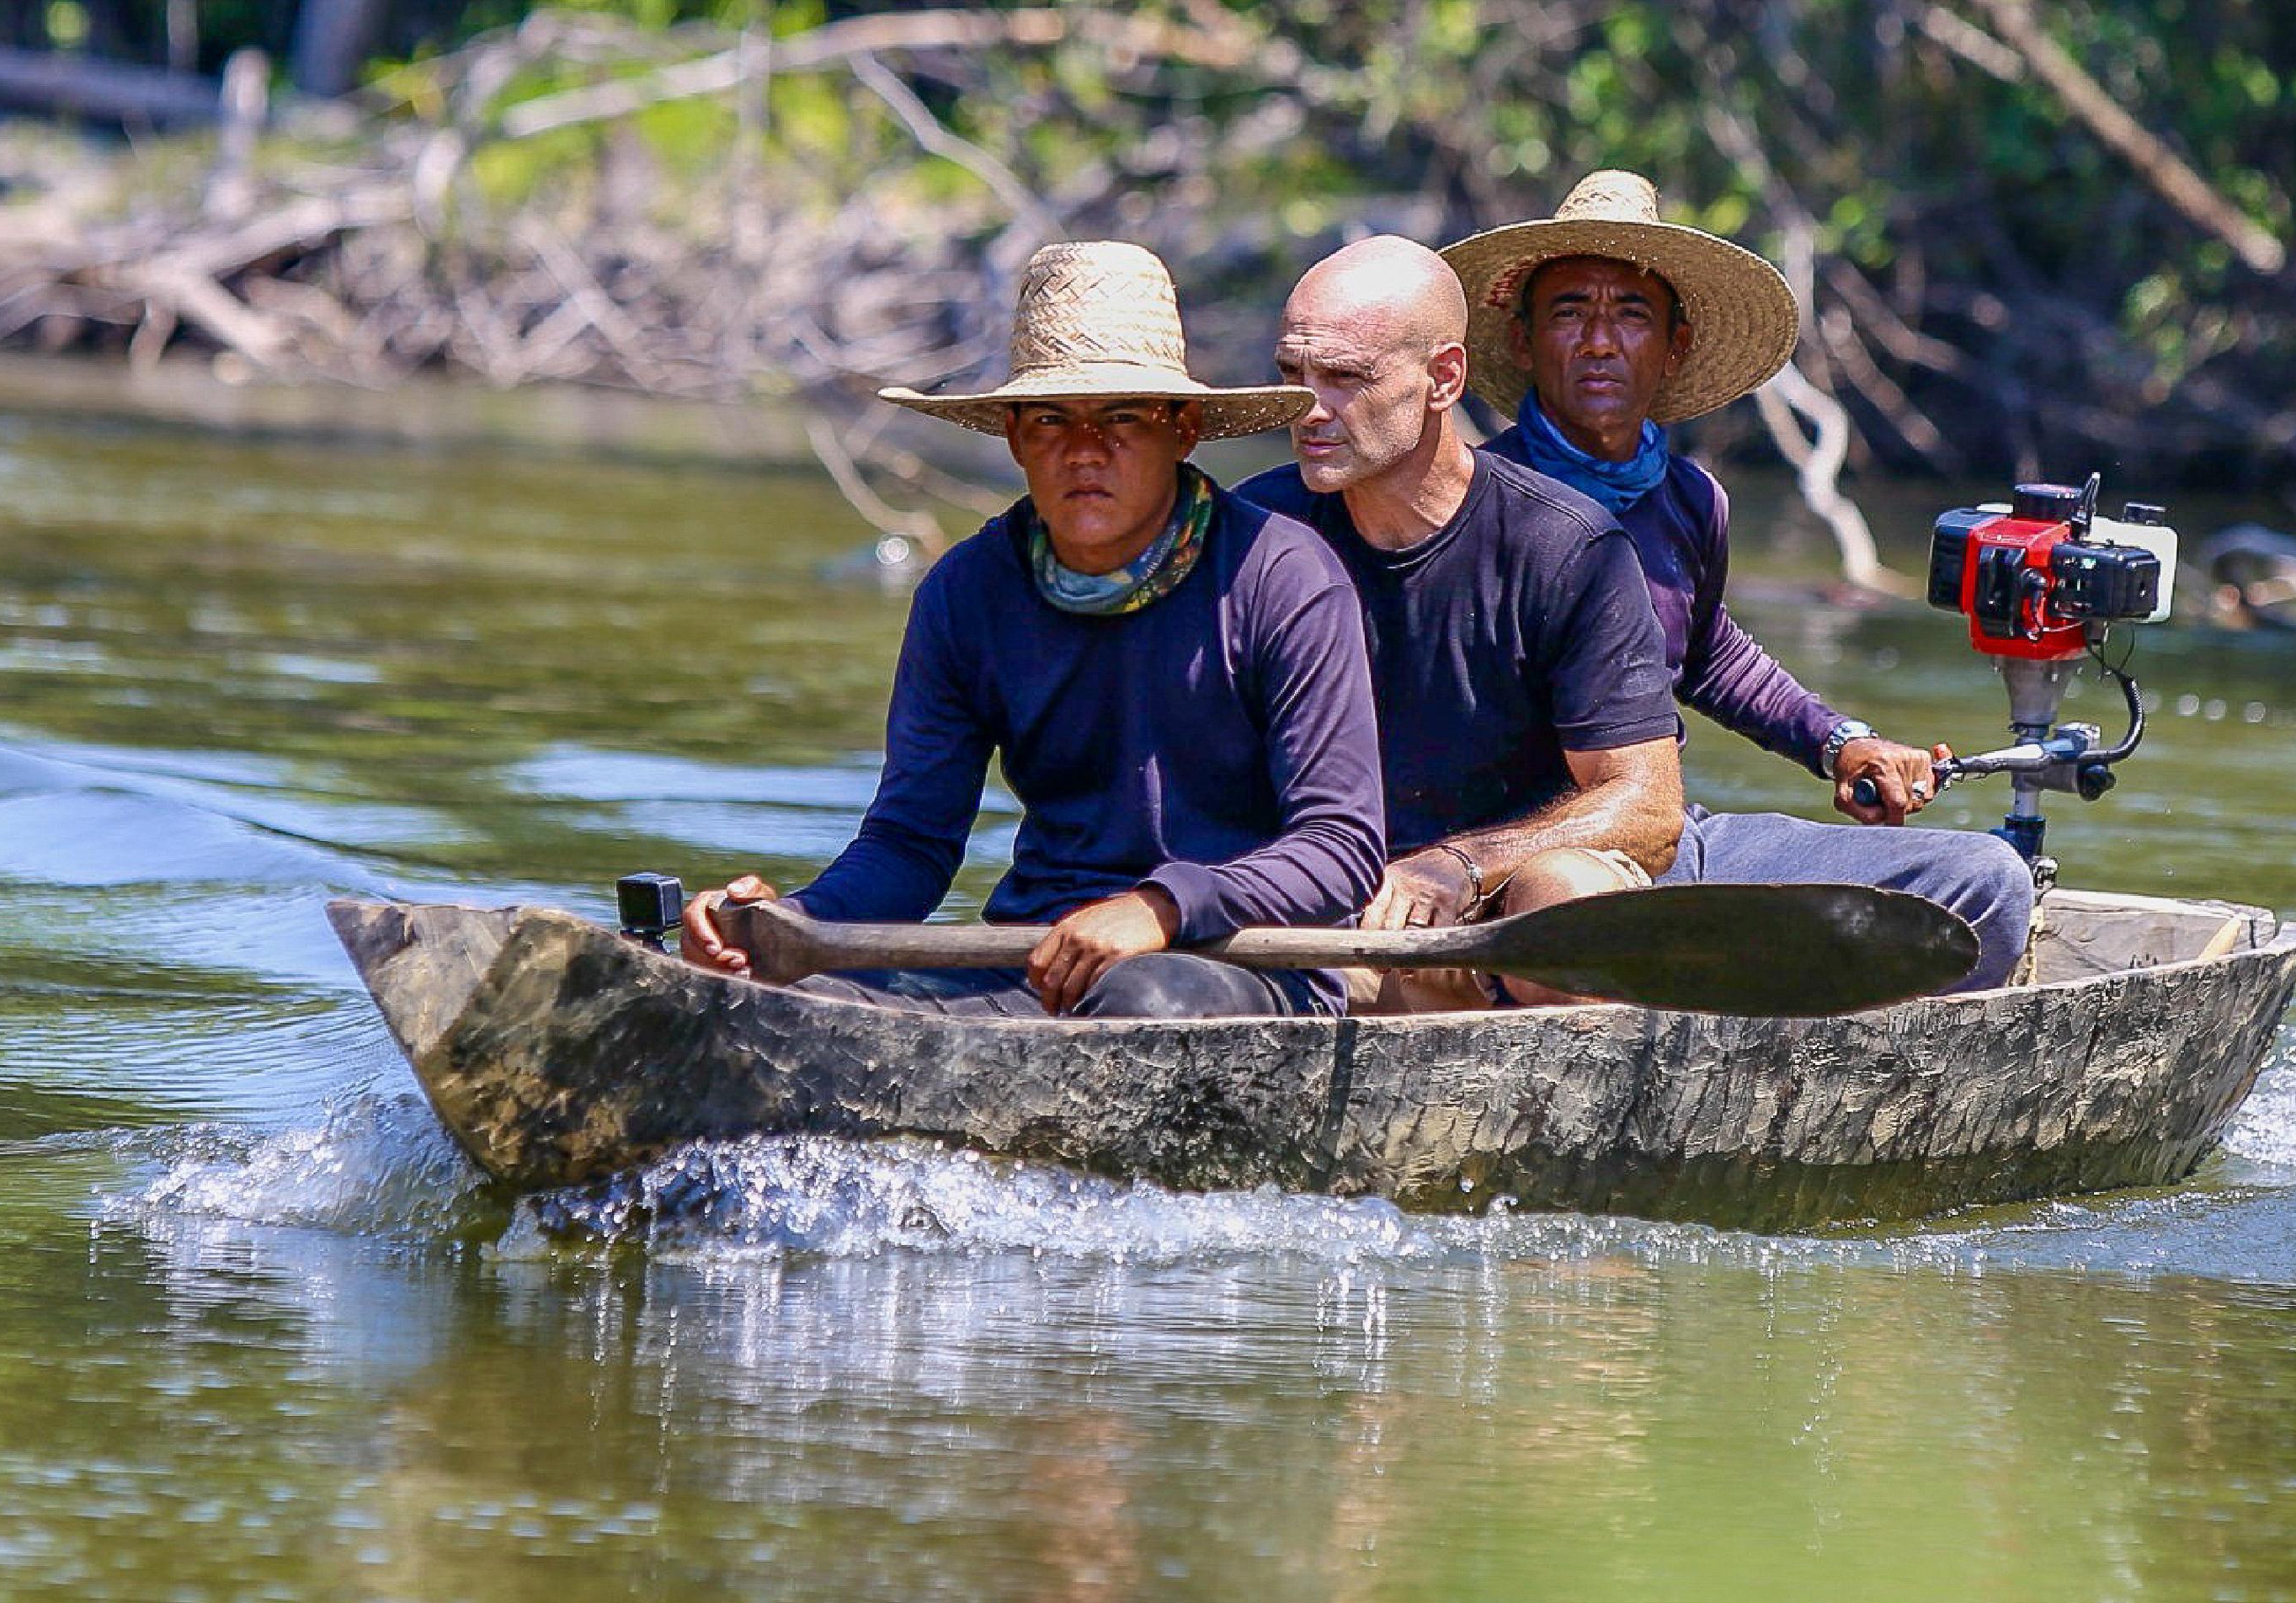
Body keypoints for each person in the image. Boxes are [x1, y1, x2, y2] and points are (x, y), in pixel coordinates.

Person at [679, 241, 1387, 1018]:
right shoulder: (968, 591)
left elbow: (1339, 849)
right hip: (1035, 957)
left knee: (1145, 1005)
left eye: (1123, 417)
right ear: (1015, 438)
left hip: (1242, 960)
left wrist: (1161, 908)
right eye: (1052, 421)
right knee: (795, 1001)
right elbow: (911, 844)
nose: (1085, 451)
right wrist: (792, 929)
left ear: (1183, 429)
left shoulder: (1283, 575)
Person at [1443, 169, 2032, 989]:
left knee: (1987, 885)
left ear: (1674, 347)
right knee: (1568, 916)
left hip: (1677, 846)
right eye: (1570, 312)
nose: (1601, 341)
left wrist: (1839, 742)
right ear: (1524, 341)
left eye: (1632, 315)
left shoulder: (1689, 501)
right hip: (1533, 862)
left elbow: (1711, 656)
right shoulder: (1473, 506)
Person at [1237, 237, 1686, 1009]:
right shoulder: (1252, 535)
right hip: (1342, 905)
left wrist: (1461, 866)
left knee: (1565, 898)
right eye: (1293, 376)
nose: (1309, 410)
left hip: (1511, 891)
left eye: (1345, 378)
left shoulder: (1564, 545)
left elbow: (1648, 806)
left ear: (1444, 378)